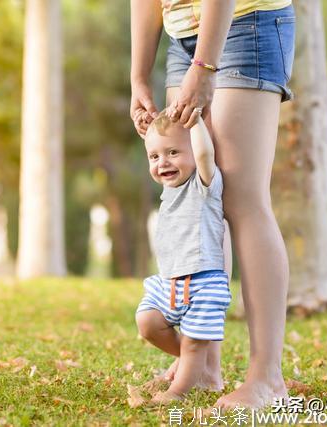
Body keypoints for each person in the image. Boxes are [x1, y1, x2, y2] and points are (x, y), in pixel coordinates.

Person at [130, 0, 295, 409]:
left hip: (246, 21)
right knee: (196, 196)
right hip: (181, 34)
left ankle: (267, 378)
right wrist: (137, 77)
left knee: (242, 197)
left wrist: (204, 66)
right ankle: (203, 369)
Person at [136, 110, 231, 404]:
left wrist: (195, 122)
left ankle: (178, 390)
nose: (163, 162)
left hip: (202, 283)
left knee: (192, 344)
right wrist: (151, 128)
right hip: (169, 282)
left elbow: (203, 152)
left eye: (174, 152)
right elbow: (157, 144)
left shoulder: (203, 185)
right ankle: (194, 362)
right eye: (154, 156)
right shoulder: (168, 191)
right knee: (147, 322)